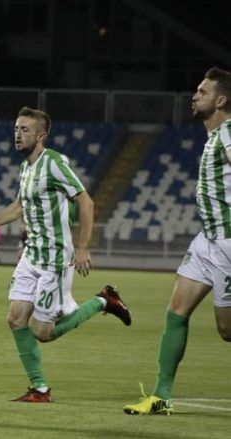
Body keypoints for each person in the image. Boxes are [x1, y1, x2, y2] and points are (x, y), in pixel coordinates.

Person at [0, 106, 132, 403]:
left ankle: (103, 301)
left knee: (43, 333)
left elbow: (86, 201)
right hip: (32, 254)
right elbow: (20, 205)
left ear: (41, 136)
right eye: (16, 128)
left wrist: (82, 247)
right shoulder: (25, 168)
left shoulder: (54, 163)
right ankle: (39, 389)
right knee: (15, 319)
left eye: (25, 130)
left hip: (55, 257)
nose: (18, 134)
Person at [123, 67, 231, 415]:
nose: (194, 96)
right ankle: (161, 397)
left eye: (202, 91)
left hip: (228, 242)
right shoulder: (214, 136)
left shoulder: (229, 132)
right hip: (207, 240)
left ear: (221, 100)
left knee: (227, 330)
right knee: (176, 312)